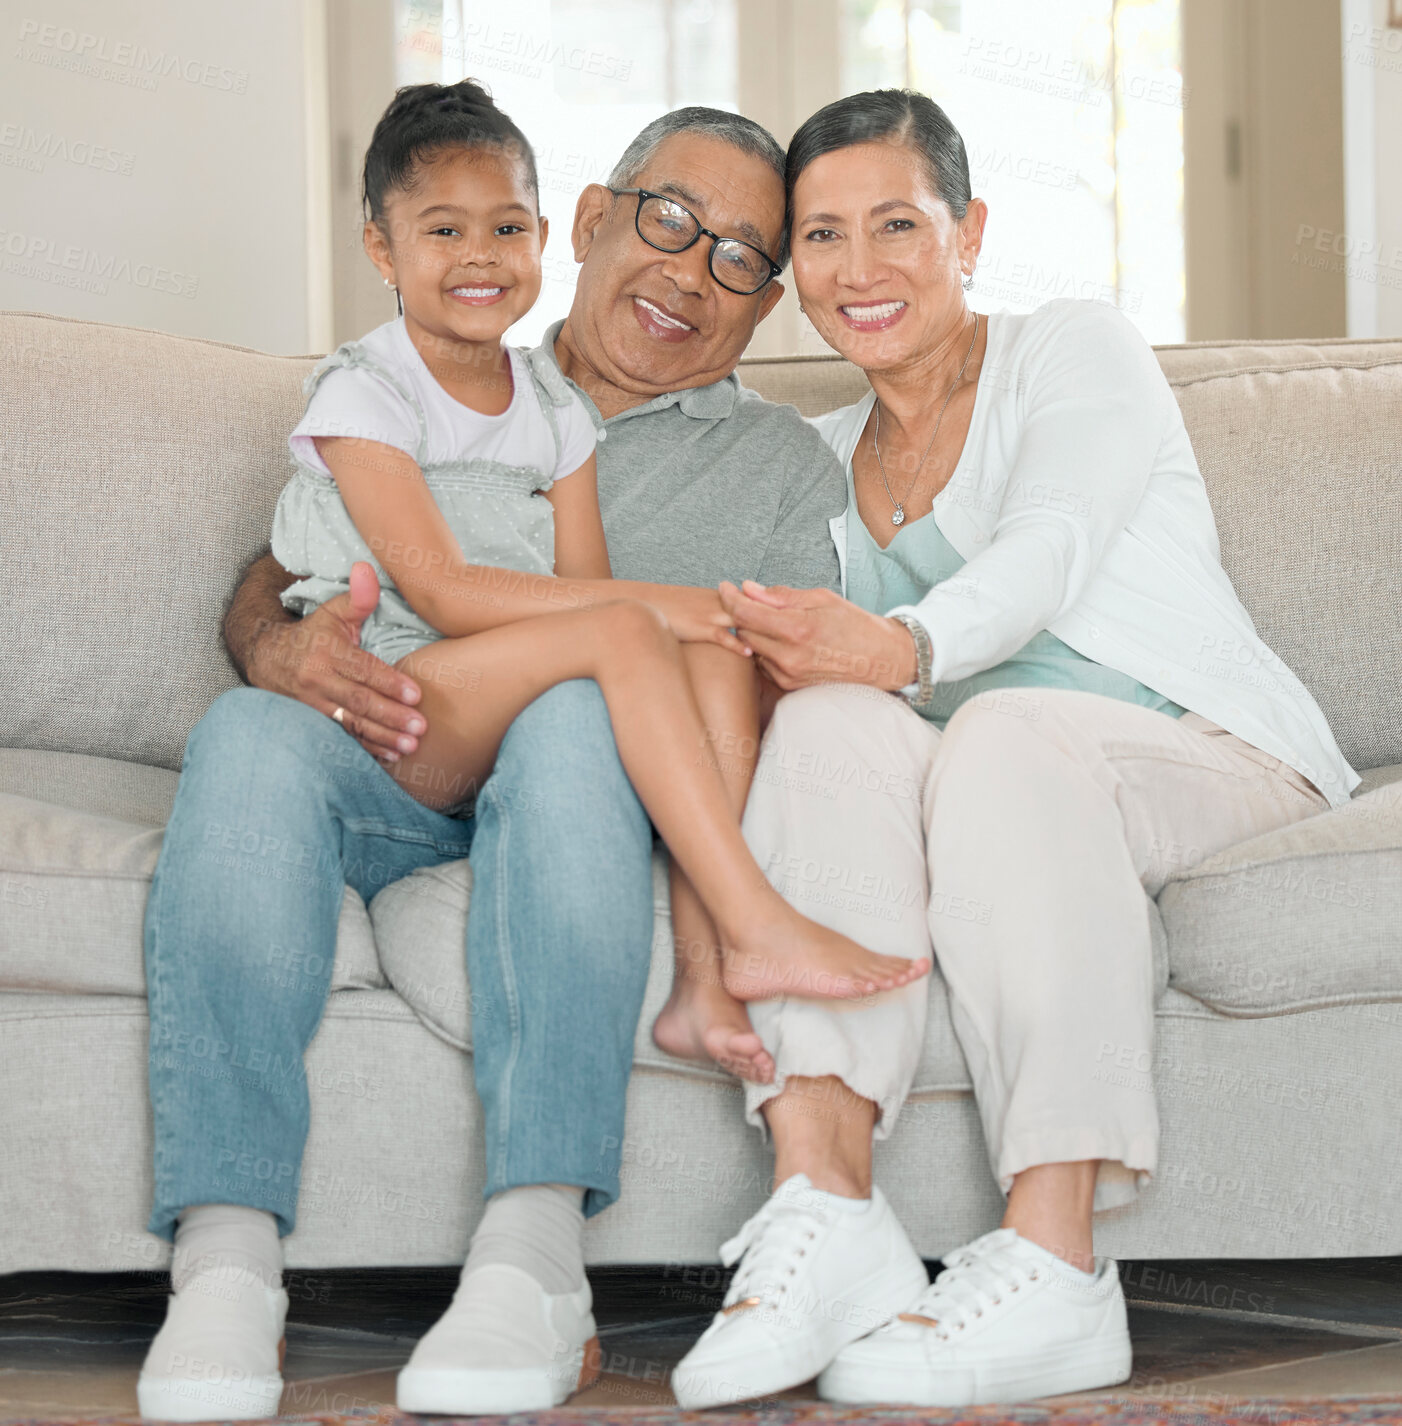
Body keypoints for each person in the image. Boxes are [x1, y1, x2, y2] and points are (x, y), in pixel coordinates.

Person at [137, 97, 861, 1419]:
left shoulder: (783, 474)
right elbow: (320, 546)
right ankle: (224, 1255)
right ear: (587, 222)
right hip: (389, 751)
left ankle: (532, 1255)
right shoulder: (433, 365)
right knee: (245, 730)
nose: (694, 273)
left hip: (583, 780)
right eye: (669, 220)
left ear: (766, 304)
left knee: (582, 702)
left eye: (740, 258)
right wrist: (265, 634)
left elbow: (767, 684)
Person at [669, 88, 1359, 1411]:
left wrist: (902, 649)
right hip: (995, 795)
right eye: (820, 237)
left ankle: (1055, 1264)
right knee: (820, 722)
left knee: (991, 724)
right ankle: (827, 1210)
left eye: (895, 224)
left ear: (967, 230)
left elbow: (1046, 546)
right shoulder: (809, 469)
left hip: (1201, 757)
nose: (857, 270)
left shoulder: (1069, 351)